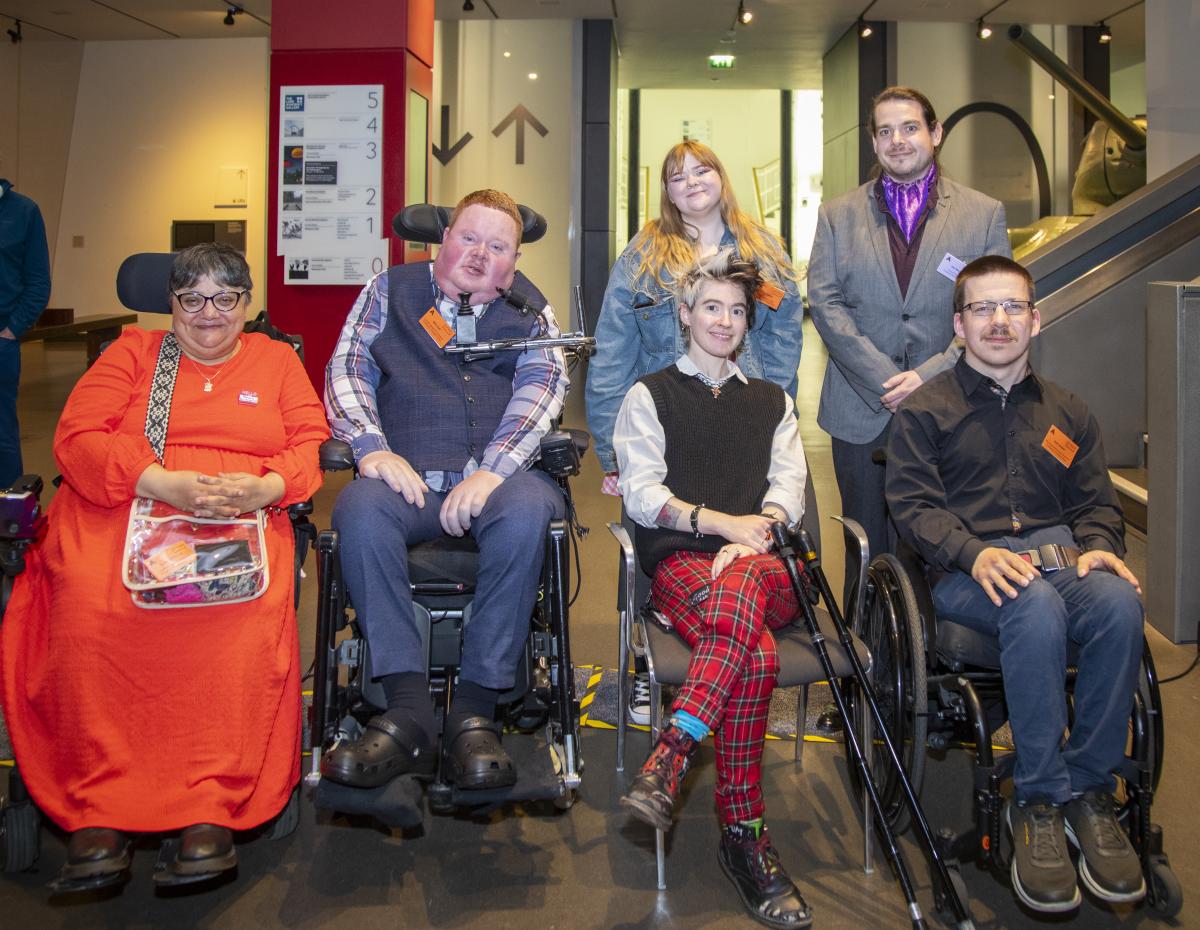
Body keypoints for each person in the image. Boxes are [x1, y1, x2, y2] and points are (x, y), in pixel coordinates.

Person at [0, 243, 328, 887]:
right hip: (124, 502)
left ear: (247, 303)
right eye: (191, 299)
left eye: (225, 298)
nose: (209, 313)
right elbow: (79, 438)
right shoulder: (131, 354)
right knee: (91, 610)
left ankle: (209, 802)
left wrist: (266, 488)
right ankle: (100, 804)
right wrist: (157, 481)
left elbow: (308, 443)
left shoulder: (277, 359)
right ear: (170, 304)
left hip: (241, 512)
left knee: (233, 619)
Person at [886, 255, 1146, 914]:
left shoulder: (1069, 411)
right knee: (1029, 604)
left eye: (1012, 308)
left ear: (1036, 319)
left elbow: (1096, 504)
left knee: (1117, 602)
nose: (998, 322)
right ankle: (1034, 798)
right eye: (982, 309)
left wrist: (1099, 550)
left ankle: (1087, 790)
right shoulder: (926, 411)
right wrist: (973, 554)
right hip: (967, 575)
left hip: (1062, 566)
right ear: (959, 323)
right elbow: (914, 507)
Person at [322, 189, 567, 792]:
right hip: (405, 480)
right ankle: (407, 708)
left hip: (494, 484)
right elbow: (347, 367)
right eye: (469, 237)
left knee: (533, 508)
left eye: (499, 246)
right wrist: (371, 445)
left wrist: (494, 469)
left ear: (513, 260)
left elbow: (542, 391)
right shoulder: (389, 291)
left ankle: (475, 708)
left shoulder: (534, 312)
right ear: (444, 238)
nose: (480, 255)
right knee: (357, 507)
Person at [616, 251, 811, 929]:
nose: (724, 320)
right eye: (711, 307)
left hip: (764, 563)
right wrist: (717, 523)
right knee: (754, 655)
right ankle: (745, 836)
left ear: (747, 321)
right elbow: (642, 496)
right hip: (683, 566)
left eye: (736, 310)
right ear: (685, 314)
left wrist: (758, 531)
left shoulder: (773, 400)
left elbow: (789, 490)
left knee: (746, 583)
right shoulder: (649, 395)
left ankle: (671, 754)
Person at [586, 139, 802, 725]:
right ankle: (643, 668)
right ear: (667, 189)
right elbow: (612, 353)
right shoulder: (642, 255)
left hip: (742, 424)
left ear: (721, 175)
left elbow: (784, 340)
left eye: (702, 169)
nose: (691, 182)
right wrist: (614, 453)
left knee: (745, 550)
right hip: (667, 420)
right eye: (677, 175)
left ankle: (709, 669)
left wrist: (765, 411)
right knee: (655, 546)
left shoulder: (764, 250)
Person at [807, 86, 1011, 603]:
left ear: (936, 133)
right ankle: (864, 663)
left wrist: (927, 376)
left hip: (950, 407)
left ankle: (930, 664)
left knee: (937, 544)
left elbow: (995, 309)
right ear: (873, 143)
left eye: (910, 127)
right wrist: (884, 379)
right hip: (860, 410)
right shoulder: (838, 215)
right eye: (884, 131)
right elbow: (826, 303)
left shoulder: (982, 215)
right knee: (864, 543)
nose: (897, 140)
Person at [0, 177, 52, 487]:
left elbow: (38, 281)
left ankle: (8, 516)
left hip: (1, 338)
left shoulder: (23, 211)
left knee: (2, 434)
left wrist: (12, 330)